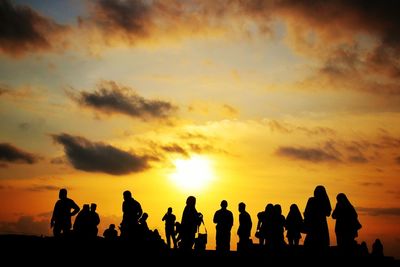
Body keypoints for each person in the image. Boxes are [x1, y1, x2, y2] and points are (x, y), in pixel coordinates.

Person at [303, 185, 331, 253]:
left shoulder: (311, 200)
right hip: (321, 224)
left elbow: (306, 212)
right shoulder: (325, 201)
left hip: (313, 225)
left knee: (310, 243)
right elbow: (328, 213)